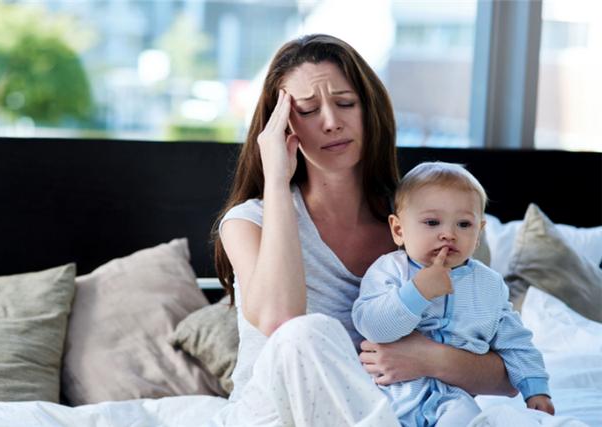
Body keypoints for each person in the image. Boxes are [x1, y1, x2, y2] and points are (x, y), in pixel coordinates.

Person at [210, 34, 517, 427]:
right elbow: (280, 319)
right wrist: (275, 179)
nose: (331, 122)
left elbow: (508, 374)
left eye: (345, 103)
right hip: (275, 416)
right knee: (303, 334)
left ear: (369, 109)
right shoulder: (248, 222)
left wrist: (427, 358)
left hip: (389, 413)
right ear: (282, 125)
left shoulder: (428, 225)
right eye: (307, 109)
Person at [352, 161, 555, 427]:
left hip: (453, 398)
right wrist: (418, 292)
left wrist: (536, 387)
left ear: (479, 233)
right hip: (389, 395)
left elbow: (515, 341)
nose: (448, 234)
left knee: (469, 419)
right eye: (432, 222)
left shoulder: (488, 284)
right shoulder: (390, 270)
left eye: (463, 224)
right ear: (399, 230)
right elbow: (372, 326)